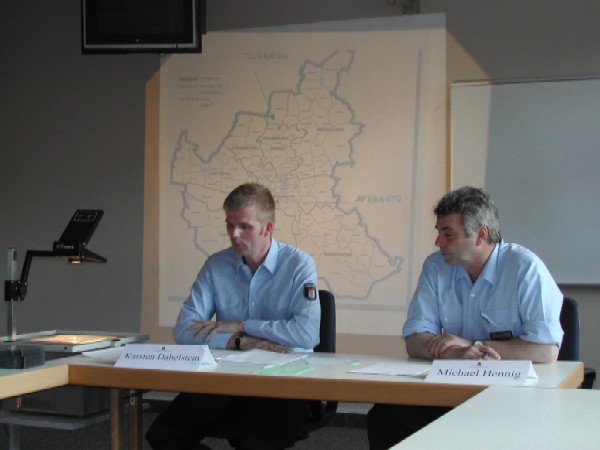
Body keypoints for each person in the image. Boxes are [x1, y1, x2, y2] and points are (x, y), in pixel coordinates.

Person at [367, 186, 564, 450]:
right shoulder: (435, 267)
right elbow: (414, 340)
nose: (438, 241)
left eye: (448, 234)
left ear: (481, 234)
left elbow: (546, 350)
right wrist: (455, 353)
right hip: (450, 390)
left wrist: (472, 346)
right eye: (438, 232)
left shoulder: (525, 268)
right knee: (385, 416)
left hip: (510, 396)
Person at [146, 183, 321, 450]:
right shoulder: (216, 265)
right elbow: (184, 328)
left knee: (255, 444)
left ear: (267, 228)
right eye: (229, 225)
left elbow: (306, 334)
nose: (234, 234)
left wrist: (242, 325)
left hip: (282, 384)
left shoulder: (298, 264)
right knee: (163, 434)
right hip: (227, 379)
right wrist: (239, 341)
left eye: (244, 227)